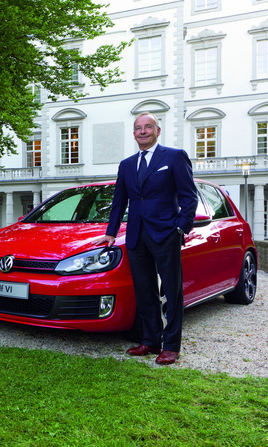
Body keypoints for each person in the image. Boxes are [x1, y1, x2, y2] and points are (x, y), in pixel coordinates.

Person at [95, 112, 198, 365]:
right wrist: (111, 232)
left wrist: (181, 228)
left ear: (157, 130)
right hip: (136, 236)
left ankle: (171, 345)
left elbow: (189, 197)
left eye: (148, 127)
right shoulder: (127, 165)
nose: (143, 131)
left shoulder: (174, 157)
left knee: (172, 291)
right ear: (134, 134)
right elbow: (119, 201)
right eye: (138, 128)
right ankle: (151, 341)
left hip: (166, 234)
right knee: (144, 290)